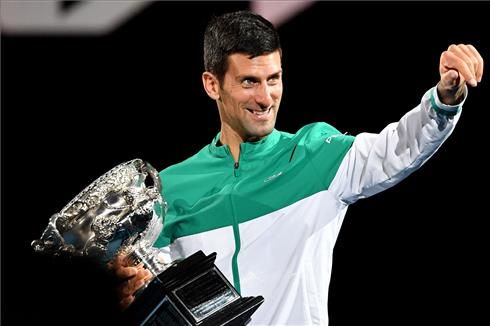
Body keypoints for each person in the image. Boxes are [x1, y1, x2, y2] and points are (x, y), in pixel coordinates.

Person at [110, 10, 483, 325]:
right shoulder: (171, 188)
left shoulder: (315, 154)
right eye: (249, 82)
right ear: (212, 85)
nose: (265, 97)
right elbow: (148, 291)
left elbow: (398, 148)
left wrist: (444, 100)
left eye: (274, 79)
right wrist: (126, 294)